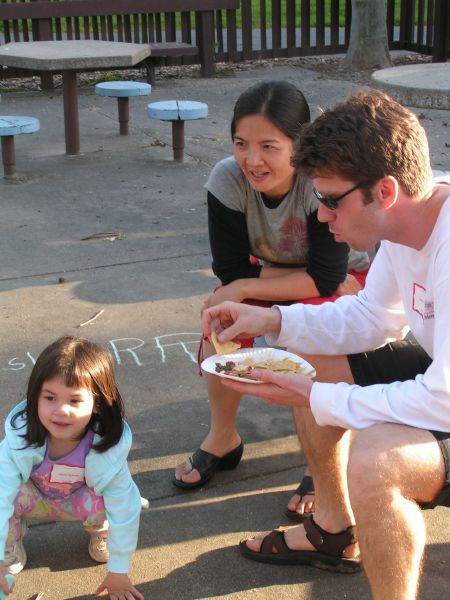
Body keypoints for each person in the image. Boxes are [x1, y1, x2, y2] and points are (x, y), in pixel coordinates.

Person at [201, 89, 450, 598]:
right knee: (309, 364)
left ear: (383, 191)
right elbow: (370, 316)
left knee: (377, 460)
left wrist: (317, 398)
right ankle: (333, 529)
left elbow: (442, 399)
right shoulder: (410, 222)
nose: (320, 216)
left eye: (331, 201)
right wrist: (270, 320)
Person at [173, 81, 369, 521]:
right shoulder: (227, 178)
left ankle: (318, 464)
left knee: (316, 343)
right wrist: (242, 288)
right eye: (241, 143)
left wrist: (248, 285)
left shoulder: (318, 179)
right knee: (222, 320)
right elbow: (230, 271)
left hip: (349, 280)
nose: (252, 159)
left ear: (299, 145)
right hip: (284, 275)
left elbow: (330, 275)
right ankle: (222, 436)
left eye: (269, 146)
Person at [0, 336, 144, 600]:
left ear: (98, 402)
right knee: (7, 491)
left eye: (75, 401)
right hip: (35, 500)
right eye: (50, 397)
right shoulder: (20, 440)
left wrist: (119, 571)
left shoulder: (107, 448)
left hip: (81, 501)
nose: (60, 410)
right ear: (35, 396)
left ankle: (101, 533)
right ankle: (8, 546)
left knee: (110, 494)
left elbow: (125, 508)